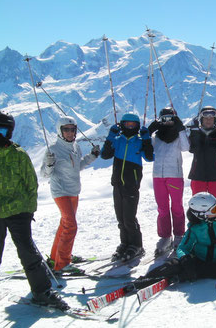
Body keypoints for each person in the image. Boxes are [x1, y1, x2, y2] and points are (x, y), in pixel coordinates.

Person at [0, 111, 68, 314]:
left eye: (4, 131)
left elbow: (30, 185)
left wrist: (27, 211)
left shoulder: (19, 155)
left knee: (28, 253)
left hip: (18, 214)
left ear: (10, 132)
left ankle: (42, 291)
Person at [131, 192, 216, 288]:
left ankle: (182, 276)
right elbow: (183, 247)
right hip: (199, 260)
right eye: (214, 210)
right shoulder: (195, 228)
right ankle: (144, 281)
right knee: (174, 265)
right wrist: (185, 259)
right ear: (202, 214)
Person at [41, 116, 100, 273]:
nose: (70, 132)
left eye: (72, 129)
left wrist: (92, 157)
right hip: (61, 191)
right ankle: (63, 263)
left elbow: (77, 166)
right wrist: (49, 164)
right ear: (60, 131)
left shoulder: (75, 147)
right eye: (66, 129)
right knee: (70, 225)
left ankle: (55, 258)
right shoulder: (53, 149)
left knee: (65, 224)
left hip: (73, 190)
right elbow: (45, 174)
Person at [101, 113, 154, 261]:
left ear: (137, 127)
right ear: (122, 125)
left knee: (129, 218)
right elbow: (105, 155)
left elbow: (150, 157)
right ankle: (125, 243)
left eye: (133, 125)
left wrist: (146, 139)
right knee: (120, 218)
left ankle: (136, 245)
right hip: (117, 183)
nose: (130, 127)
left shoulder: (139, 141)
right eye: (127, 124)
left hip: (131, 185)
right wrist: (110, 137)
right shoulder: (118, 140)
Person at [148, 107, 190, 255]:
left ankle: (179, 235)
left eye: (170, 118)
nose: (167, 122)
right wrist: (148, 132)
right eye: (163, 119)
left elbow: (186, 147)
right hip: (158, 176)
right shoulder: (156, 137)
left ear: (175, 119)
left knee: (177, 206)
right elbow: (146, 150)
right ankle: (165, 236)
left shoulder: (179, 136)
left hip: (175, 175)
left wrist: (181, 129)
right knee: (162, 208)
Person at [187, 106, 216, 203]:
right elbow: (194, 149)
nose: (208, 120)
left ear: (215, 120)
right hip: (198, 174)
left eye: (211, 118)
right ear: (201, 120)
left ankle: (215, 218)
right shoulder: (197, 133)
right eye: (206, 118)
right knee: (197, 203)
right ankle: (197, 219)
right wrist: (194, 132)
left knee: (215, 203)